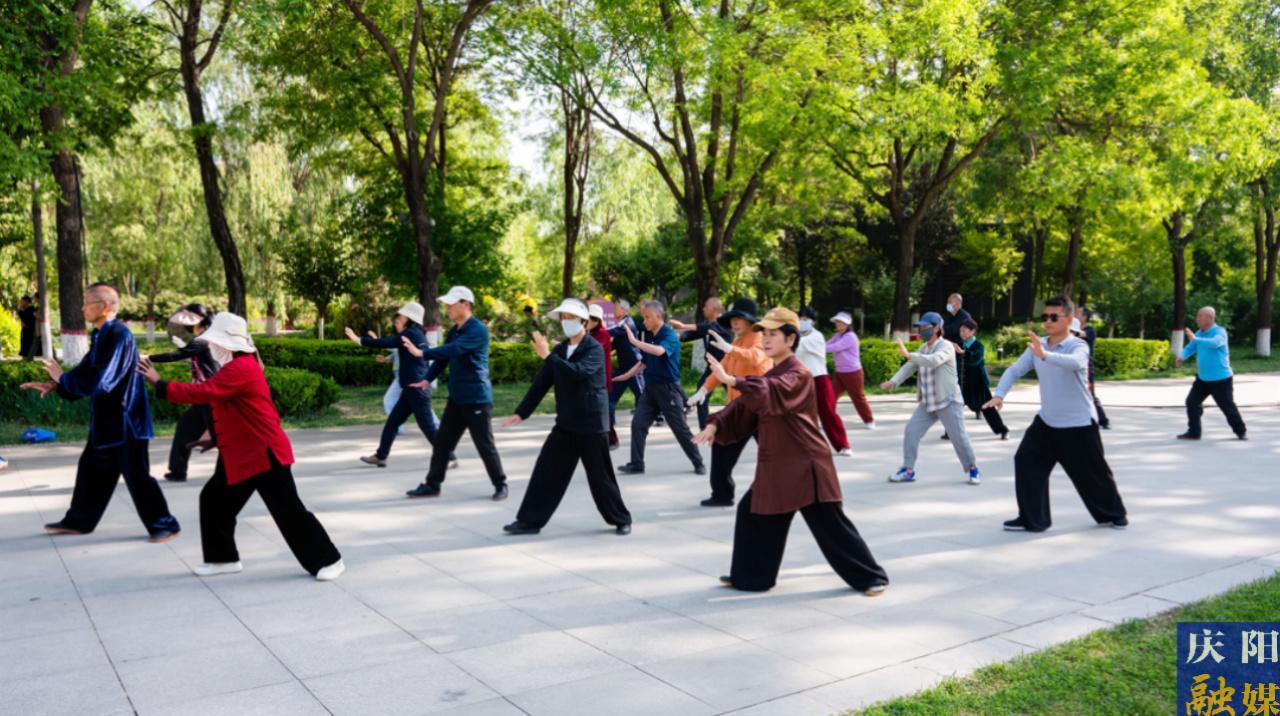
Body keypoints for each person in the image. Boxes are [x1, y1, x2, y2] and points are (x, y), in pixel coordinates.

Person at [693, 307, 889, 595]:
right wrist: (716, 424)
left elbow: (766, 391)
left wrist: (732, 380)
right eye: (764, 334)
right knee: (752, 513)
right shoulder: (774, 373)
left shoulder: (798, 373)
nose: (766, 339)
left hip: (806, 464)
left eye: (773, 334)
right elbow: (746, 404)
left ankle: (871, 577)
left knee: (831, 525)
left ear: (791, 339)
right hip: (777, 465)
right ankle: (752, 578)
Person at [140, 313, 344, 580]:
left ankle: (329, 560)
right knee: (214, 501)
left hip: (264, 452)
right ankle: (222, 559)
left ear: (226, 343)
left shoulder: (241, 367)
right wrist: (213, 436)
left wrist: (159, 383)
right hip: (240, 452)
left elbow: (204, 392)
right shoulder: (236, 366)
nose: (211, 347)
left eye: (214, 343)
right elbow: (226, 405)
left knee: (288, 510)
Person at [20, 283, 181, 541]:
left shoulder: (119, 335)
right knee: (91, 471)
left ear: (104, 306)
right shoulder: (101, 335)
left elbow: (103, 380)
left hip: (126, 421)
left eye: (87, 303)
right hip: (107, 422)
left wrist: (63, 378)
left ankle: (165, 524)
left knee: (137, 476)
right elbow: (86, 372)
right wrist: (58, 385)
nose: (82, 308)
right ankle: (79, 522)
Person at [984, 296, 1128, 533]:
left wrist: (1045, 355)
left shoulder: (1078, 345)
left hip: (1079, 424)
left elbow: (1075, 363)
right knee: (1026, 461)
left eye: (1054, 317)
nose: (1048, 321)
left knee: (1093, 475)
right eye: (1045, 317)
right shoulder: (1038, 345)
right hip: (1047, 422)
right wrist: (1000, 394)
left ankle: (1114, 514)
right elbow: (1014, 370)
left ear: (1069, 320)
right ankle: (1032, 519)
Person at [500, 299, 632, 536]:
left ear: (583, 321)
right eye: (563, 318)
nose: (566, 322)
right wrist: (521, 412)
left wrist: (547, 356)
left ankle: (621, 519)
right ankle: (529, 522)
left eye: (570, 317)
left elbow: (577, 373)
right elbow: (541, 383)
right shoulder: (561, 350)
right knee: (546, 471)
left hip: (592, 424)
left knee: (601, 477)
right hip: (566, 424)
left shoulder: (593, 348)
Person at [403, 286, 510, 500]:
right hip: (457, 399)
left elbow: (455, 349)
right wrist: (427, 379)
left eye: (451, 304)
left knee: (485, 445)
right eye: (447, 304)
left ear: (466, 304)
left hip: (476, 398)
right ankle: (432, 485)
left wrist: (421, 352)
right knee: (442, 443)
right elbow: (443, 358)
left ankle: (501, 484)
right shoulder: (454, 330)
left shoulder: (477, 329)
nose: (448, 308)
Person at [346, 302, 455, 468]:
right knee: (393, 423)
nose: (400, 317)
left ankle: (449, 457)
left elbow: (386, 342)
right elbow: (399, 350)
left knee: (428, 428)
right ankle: (381, 456)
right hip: (411, 389)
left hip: (416, 389)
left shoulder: (410, 333)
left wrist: (358, 339)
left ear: (409, 318)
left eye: (403, 315)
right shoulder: (417, 333)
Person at [686, 298, 771, 506]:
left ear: (750, 321)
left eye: (739, 318)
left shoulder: (759, 337)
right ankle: (722, 495)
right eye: (732, 319)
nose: (734, 323)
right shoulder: (736, 342)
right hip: (739, 409)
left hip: (761, 409)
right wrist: (703, 390)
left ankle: (794, 488)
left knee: (775, 456)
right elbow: (720, 369)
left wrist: (730, 349)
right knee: (721, 445)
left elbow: (754, 357)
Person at [881, 311, 981, 486]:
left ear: (937, 328)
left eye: (925, 327)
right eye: (920, 327)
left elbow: (934, 361)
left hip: (948, 401)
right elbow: (910, 367)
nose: (922, 330)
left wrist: (910, 355)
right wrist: (894, 381)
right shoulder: (923, 348)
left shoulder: (946, 347)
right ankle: (908, 470)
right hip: (929, 402)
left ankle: (972, 468)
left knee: (959, 438)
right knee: (911, 431)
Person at [615, 300, 705, 476]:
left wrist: (634, 341)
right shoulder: (652, 336)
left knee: (680, 429)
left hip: (668, 390)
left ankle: (698, 462)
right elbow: (643, 362)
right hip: (650, 390)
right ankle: (637, 464)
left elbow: (659, 351)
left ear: (658, 316)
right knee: (638, 424)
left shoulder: (669, 335)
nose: (644, 321)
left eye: (647, 317)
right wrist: (626, 376)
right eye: (643, 317)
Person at [147, 303, 222, 481]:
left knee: (221, 437)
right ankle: (178, 471)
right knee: (185, 427)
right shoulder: (202, 340)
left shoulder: (204, 340)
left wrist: (147, 358)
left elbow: (175, 355)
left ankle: (236, 472)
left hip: (211, 397)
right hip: (201, 396)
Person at [1176, 306, 1247, 441]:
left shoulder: (1220, 332)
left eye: (1200, 316)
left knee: (1227, 406)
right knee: (1192, 402)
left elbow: (1214, 343)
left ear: (1210, 318)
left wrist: (1196, 339)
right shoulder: (1199, 333)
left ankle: (1240, 431)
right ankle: (1194, 432)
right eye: (1197, 316)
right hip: (1203, 379)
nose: (1197, 319)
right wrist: (1182, 356)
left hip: (1221, 379)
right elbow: (1191, 347)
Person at [670, 297, 732, 429]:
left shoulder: (724, 323)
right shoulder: (706, 324)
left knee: (736, 397)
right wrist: (673, 335)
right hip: (713, 368)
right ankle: (705, 428)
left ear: (714, 309)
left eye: (706, 306)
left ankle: (752, 425)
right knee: (701, 394)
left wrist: (683, 325)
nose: (703, 309)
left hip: (728, 367)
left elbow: (708, 328)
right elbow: (690, 335)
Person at [796, 307, 851, 455]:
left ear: (813, 322)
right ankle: (805, 447)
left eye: (806, 319)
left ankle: (843, 445)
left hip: (819, 379)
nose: (802, 321)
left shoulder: (816, 336)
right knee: (800, 415)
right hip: (801, 380)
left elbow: (797, 344)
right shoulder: (794, 336)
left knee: (828, 413)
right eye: (800, 318)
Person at [956, 319, 1009, 440]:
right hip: (962, 384)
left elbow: (973, 361)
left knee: (988, 408)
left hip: (978, 384)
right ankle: (950, 433)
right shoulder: (960, 345)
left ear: (972, 331)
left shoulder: (978, 346)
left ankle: (1002, 430)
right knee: (954, 408)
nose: (961, 333)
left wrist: (962, 352)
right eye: (960, 330)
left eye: (964, 330)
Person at [825, 312, 875, 429]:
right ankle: (828, 420)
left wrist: (816, 348)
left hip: (853, 373)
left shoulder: (850, 336)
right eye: (837, 322)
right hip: (840, 373)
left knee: (858, 398)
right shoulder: (837, 335)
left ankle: (869, 420)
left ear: (847, 324)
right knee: (830, 396)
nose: (838, 324)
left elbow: (835, 347)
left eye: (841, 322)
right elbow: (827, 344)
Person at [607, 299, 646, 445]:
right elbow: (612, 346)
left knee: (643, 397)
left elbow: (611, 332)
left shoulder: (627, 323)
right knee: (609, 399)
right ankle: (610, 433)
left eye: (616, 308)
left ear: (625, 310)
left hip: (634, 367)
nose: (613, 310)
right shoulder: (620, 324)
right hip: (623, 370)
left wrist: (594, 332)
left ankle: (659, 415)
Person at [586, 303, 619, 446]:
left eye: (588, 320)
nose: (585, 322)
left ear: (596, 320)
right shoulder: (590, 333)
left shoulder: (602, 333)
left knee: (604, 410)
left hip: (602, 379)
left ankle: (612, 438)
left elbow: (591, 348)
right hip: (592, 378)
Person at [1074, 307, 1110, 429]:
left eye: (1078, 313)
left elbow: (1081, 334)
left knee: (1090, 394)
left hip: (1086, 367)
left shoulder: (1090, 330)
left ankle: (1103, 420)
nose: (1075, 314)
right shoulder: (1073, 330)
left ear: (1085, 317)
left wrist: (1068, 330)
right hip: (1073, 365)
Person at [18, 295, 38, 360]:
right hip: (25, 331)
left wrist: (20, 311)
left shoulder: (31, 310)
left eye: (22, 302)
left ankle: (27, 360)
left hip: (30, 332)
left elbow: (26, 319)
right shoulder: (26, 310)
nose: (21, 303)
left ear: (26, 301)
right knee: (24, 346)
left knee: (27, 347)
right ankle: (25, 359)